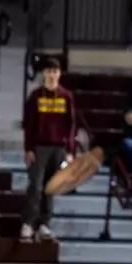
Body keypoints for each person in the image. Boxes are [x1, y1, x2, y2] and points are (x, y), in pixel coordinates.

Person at [21, 57, 76, 243]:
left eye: (55, 71)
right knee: (35, 186)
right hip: (39, 146)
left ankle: (44, 224)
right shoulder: (35, 96)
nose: (52, 75)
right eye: (49, 71)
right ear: (43, 73)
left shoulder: (66, 96)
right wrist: (28, 148)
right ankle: (29, 223)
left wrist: (70, 151)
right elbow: (29, 125)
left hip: (59, 147)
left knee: (50, 187)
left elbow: (71, 126)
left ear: (59, 74)